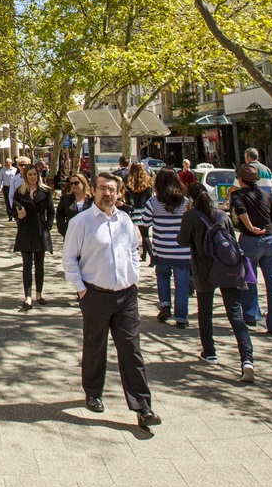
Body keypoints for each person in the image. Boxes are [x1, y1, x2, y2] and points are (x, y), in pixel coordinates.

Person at [62, 172, 161, 429]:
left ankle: (142, 405)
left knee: (131, 350)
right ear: (94, 190)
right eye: (103, 189)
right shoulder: (81, 222)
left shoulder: (125, 219)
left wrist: (134, 276)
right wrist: (81, 290)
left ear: (119, 193)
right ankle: (93, 392)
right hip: (95, 294)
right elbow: (69, 258)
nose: (108, 194)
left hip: (126, 295)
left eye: (112, 190)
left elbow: (131, 248)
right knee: (95, 346)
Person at [180, 182, 255, 381]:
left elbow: (182, 240)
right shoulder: (223, 215)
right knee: (235, 314)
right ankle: (246, 359)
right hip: (228, 268)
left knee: (205, 311)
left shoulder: (190, 217)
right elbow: (231, 238)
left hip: (204, 270)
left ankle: (209, 352)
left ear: (191, 199)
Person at [231, 163, 272, 336]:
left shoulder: (237, 194)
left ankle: (251, 315)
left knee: (249, 279)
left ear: (240, 179)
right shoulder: (267, 195)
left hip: (250, 242)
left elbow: (241, 210)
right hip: (270, 241)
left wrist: (251, 227)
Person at [147, 169, 192, 329]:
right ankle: (181, 317)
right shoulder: (186, 202)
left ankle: (165, 305)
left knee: (162, 275)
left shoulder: (152, 203)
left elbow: (145, 222)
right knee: (182, 283)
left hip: (162, 248)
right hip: (182, 250)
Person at [13, 165, 55, 308]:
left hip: (40, 232)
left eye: (34, 174)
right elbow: (13, 210)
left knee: (39, 265)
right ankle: (28, 297)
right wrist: (19, 216)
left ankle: (39, 294)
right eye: (30, 174)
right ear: (26, 176)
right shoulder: (20, 192)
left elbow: (51, 212)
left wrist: (47, 227)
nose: (32, 177)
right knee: (26, 265)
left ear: (38, 175)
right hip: (26, 231)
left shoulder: (45, 191)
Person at [125, 163, 154, 263]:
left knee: (144, 235)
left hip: (136, 210)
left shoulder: (130, 183)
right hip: (146, 209)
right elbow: (150, 197)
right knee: (145, 234)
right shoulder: (148, 182)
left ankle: (151, 256)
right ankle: (146, 255)